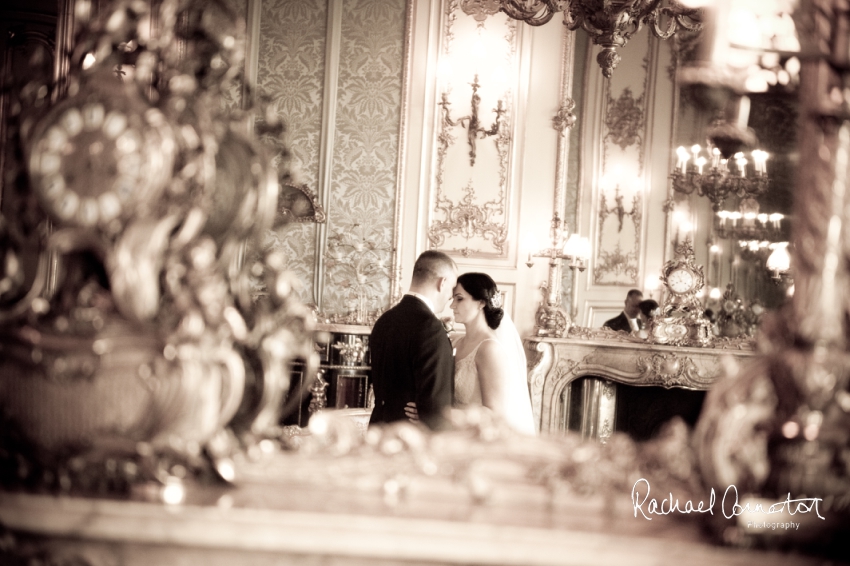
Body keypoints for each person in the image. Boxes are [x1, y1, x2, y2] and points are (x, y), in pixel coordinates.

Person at [406, 272, 536, 435]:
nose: (452, 305)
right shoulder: (456, 341)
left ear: (481, 302)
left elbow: (494, 413)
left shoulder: (490, 349)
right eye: (453, 299)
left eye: (459, 299)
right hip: (448, 435)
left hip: (475, 438)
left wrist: (437, 415)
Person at [368, 250, 458, 431]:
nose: (450, 297)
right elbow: (437, 407)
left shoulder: (385, 320)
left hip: (379, 430)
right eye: (452, 289)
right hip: (409, 438)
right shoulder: (430, 327)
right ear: (443, 283)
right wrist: (429, 415)